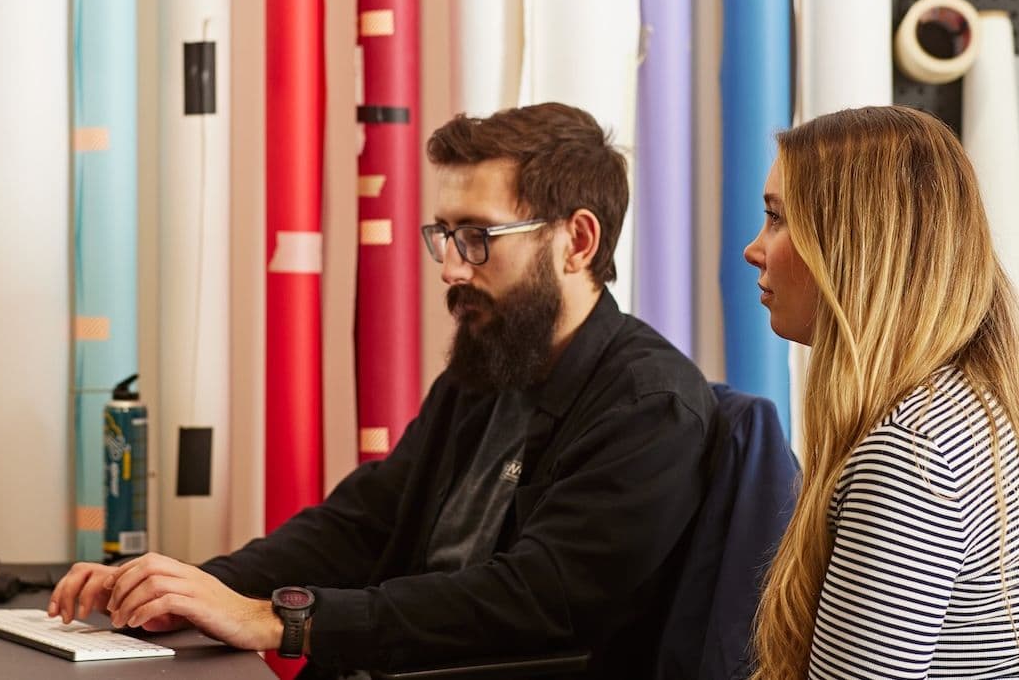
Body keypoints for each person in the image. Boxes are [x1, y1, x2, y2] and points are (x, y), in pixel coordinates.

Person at [49, 102, 717, 678]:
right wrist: (195, 586)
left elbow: (532, 600)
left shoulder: (648, 408)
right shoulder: (489, 364)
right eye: (445, 236)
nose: (452, 268)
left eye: (479, 237)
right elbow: (363, 523)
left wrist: (280, 621)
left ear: (576, 240)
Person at [745, 105, 1019, 679]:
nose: (755, 248)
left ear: (855, 243)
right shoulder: (971, 407)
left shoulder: (911, 457)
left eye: (777, 219)